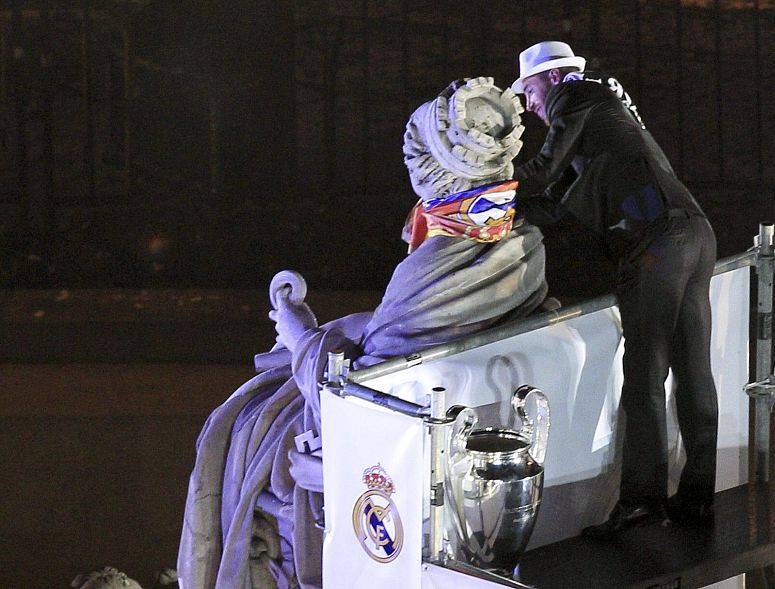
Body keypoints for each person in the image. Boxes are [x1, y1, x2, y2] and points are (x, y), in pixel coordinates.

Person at [178, 77, 550, 589]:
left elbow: (363, 404)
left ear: (430, 172)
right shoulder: (521, 241)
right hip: (477, 399)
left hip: (413, 452)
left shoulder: (432, 270)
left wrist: (302, 334)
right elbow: (403, 338)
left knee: (248, 428)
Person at [510, 41, 719, 538]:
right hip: (695, 232)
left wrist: (475, 189)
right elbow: (553, 203)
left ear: (555, 77)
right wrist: (498, 217)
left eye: (531, 91)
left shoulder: (577, 97)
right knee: (693, 373)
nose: (528, 104)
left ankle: (643, 502)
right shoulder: (603, 118)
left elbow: (540, 172)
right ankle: (696, 500)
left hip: (654, 243)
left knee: (645, 376)